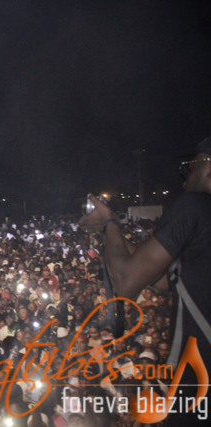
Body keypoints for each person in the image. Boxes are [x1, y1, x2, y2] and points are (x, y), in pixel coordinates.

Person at [78, 137, 211, 426]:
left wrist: (109, 222)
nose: (185, 177)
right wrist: (110, 230)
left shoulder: (194, 206)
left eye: (191, 167)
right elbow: (162, 280)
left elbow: (126, 283)